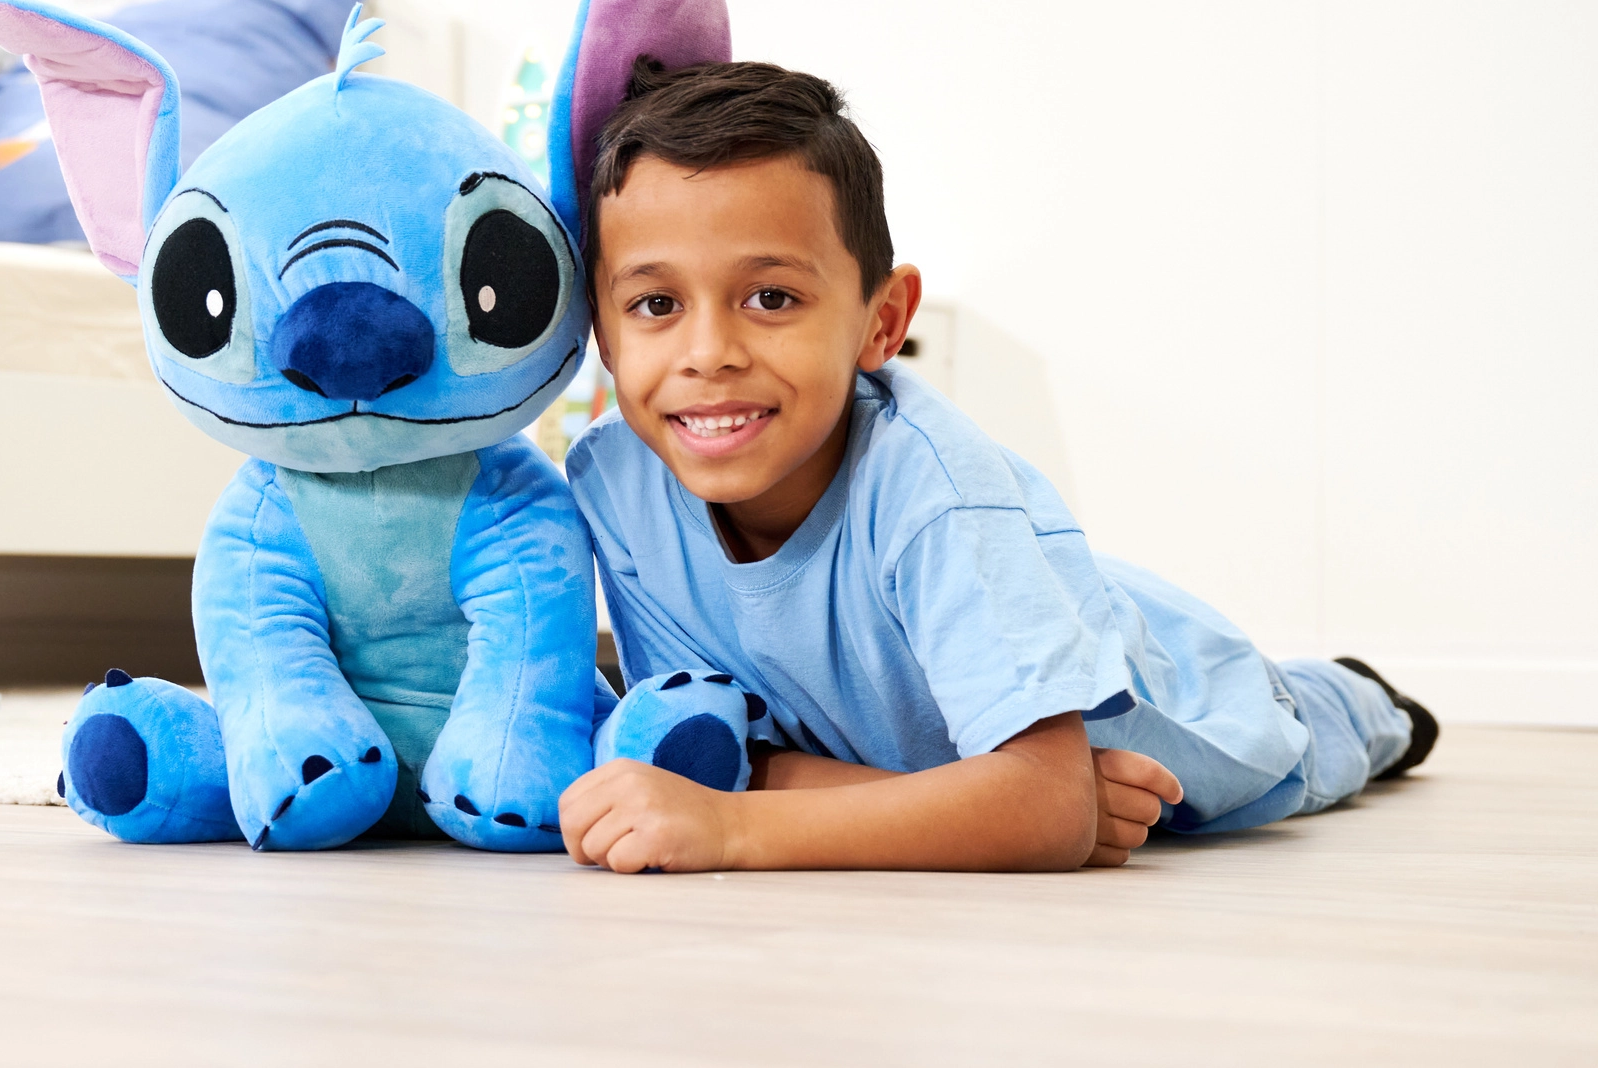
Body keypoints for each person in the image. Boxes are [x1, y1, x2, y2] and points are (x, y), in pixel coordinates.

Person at [557, 59, 1437, 874]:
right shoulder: (619, 483)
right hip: (969, 704)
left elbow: (1043, 809)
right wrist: (992, 802)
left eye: (771, 297)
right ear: (602, 327)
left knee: (1300, 729)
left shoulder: (934, 491)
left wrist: (736, 827)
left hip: (1186, 689)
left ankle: (1355, 694)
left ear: (881, 321)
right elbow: (722, 747)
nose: (708, 351)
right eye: (656, 303)